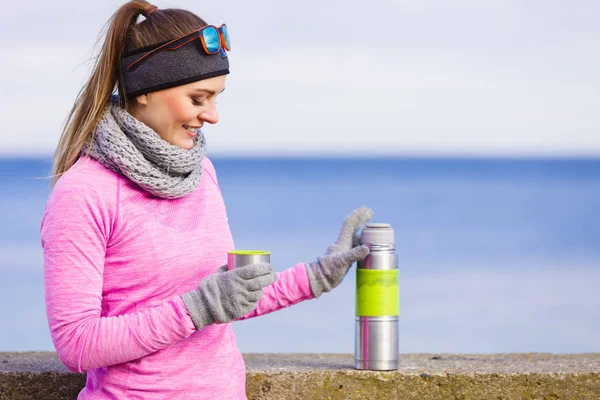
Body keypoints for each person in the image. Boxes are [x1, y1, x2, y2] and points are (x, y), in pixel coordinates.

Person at [40, 1, 373, 398]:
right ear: (144, 90)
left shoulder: (200, 172)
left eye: (217, 98)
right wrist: (194, 310)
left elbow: (223, 297)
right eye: (198, 99)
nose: (212, 115)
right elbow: (77, 344)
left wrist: (315, 276)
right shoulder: (85, 193)